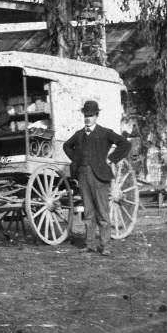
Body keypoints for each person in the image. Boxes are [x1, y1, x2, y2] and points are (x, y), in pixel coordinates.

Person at [63, 100, 130, 256]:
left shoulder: (105, 132)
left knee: (102, 213)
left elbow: (125, 144)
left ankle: (105, 245)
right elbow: (66, 146)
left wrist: (112, 158)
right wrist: (76, 160)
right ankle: (90, 244)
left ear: (96, 116)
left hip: (100, 177)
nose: (88, 118)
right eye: (86, 115)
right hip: (83, 176)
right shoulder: (79, 134)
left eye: (91, 115)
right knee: (88, 212)